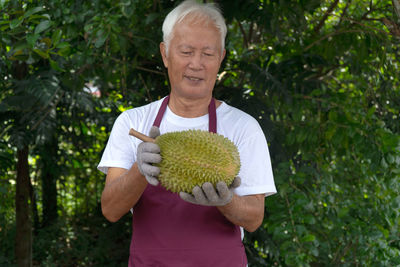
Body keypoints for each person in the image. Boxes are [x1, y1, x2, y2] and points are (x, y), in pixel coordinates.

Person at [98, 0, 276, 266]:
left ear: (221, 58)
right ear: (165, 54)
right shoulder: (132, 121)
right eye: (186, 51)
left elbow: (254, 219)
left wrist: (226, 201)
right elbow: (110, 210)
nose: (196, 64)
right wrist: (140, 170)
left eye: (208, 53)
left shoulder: (244, 127)